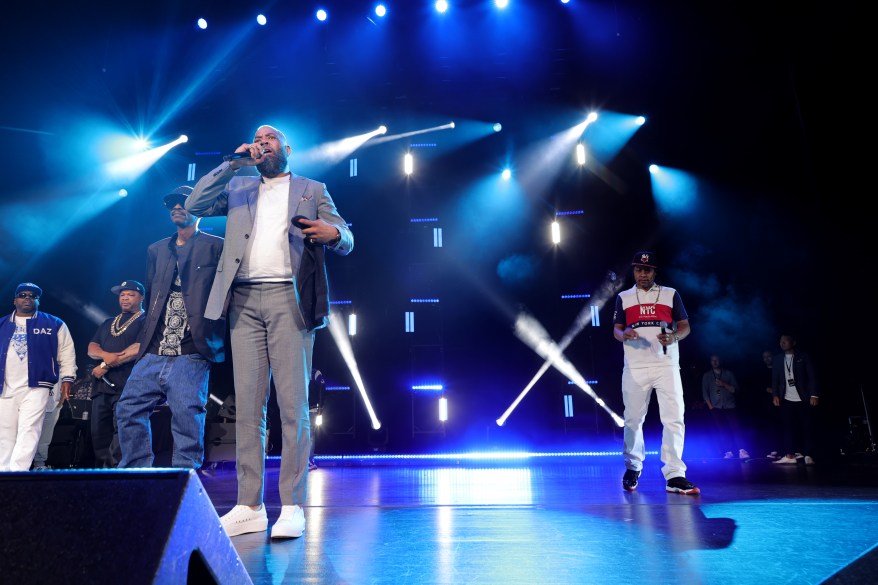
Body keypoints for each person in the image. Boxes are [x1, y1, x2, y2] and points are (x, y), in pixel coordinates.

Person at [187, 124, 353, 539]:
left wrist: (333, 234)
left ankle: (292, 505)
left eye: (270, 138)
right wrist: (232, 161)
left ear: (287, 148)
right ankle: (249, 505)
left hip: (288, 300)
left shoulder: (313, 189)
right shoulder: (240, 183)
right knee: (249, 407)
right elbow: (195, 203)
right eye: (257, 139)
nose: (262, 143)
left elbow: (347, 237)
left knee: (293, 406)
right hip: (242, 300)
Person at [115, 187, 225, 469]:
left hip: (192, 350)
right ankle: (136, 473)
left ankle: (184, 480)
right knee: (128, 409)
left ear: (200, 208)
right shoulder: (156, 249)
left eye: (183, 203)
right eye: (172, 204)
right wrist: (143, 342)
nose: (176, 207)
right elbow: (152, 295)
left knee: (187, 415)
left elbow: (228, 291)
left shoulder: (217, 246)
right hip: (153, 350)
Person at [612, 251, 699, 495]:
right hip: (635, 367)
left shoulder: (671, 294)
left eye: (647, 270)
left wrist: (674, 336)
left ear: (654, 272)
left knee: (673, 418)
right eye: (639, 269)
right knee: (632, 419)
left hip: (666, 364)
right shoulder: (623, 297)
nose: (642, 274)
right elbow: (616, 331)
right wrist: (624, 335)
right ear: (634, 271)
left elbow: (684, 326)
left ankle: (674, 474)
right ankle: (632, 467)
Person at [0, 283, 77, 471]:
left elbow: (66, 354)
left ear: (38, 300)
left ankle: (19, 473)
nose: (27, 297)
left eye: (32, 295)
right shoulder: (1, 324)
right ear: (15, 300)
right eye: (23, 294)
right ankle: (4, 472)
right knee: (5, 433)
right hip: (5, 387)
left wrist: (67, 380)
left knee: (30, 430)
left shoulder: (54, 323)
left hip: (37, 386)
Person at [87, 280, 147, 467]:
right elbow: (91, 347)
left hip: (127, 387)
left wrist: (105, 364)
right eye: (122, 295)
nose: (125, 298)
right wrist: (105, 355)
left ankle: (115, 475)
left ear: (141, 297)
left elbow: (137, 348)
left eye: (130, 294)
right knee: (98, 434)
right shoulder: (108, 323)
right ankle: (101, 476)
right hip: (101, 387)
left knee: (121, 433)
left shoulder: (146, 321)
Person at [771, 333, 820, 465]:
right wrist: (775, 394)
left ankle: (808, 454)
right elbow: (775, 379)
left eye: (785, 341)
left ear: (793, 342)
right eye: (780, 341)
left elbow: (812, 376)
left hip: (803, 397)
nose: (782, 343)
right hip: (786, 398)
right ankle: (790, 455)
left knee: (807, 427)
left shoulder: (803, 356)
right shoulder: (777, 359)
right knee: (788, 427)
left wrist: (814, 394)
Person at [701, 354, 749, 459]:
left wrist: (724, 384)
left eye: (716, 360)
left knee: (736, 428)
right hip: (716, 407)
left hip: (730, 405)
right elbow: (705, 393)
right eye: (712, 360)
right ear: (710, 362)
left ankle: (742, 450)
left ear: (720, 361)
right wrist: (711, 407)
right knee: (722, 430)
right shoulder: (707, 376)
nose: (714, 362)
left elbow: (735, 390)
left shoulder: (728, 374)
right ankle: (728, 451)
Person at [30, 381, 62, 470]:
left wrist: (61, 400)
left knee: (45, 438)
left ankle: (39, 464)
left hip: (53, 401)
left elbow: (67, 372)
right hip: (31, 399)